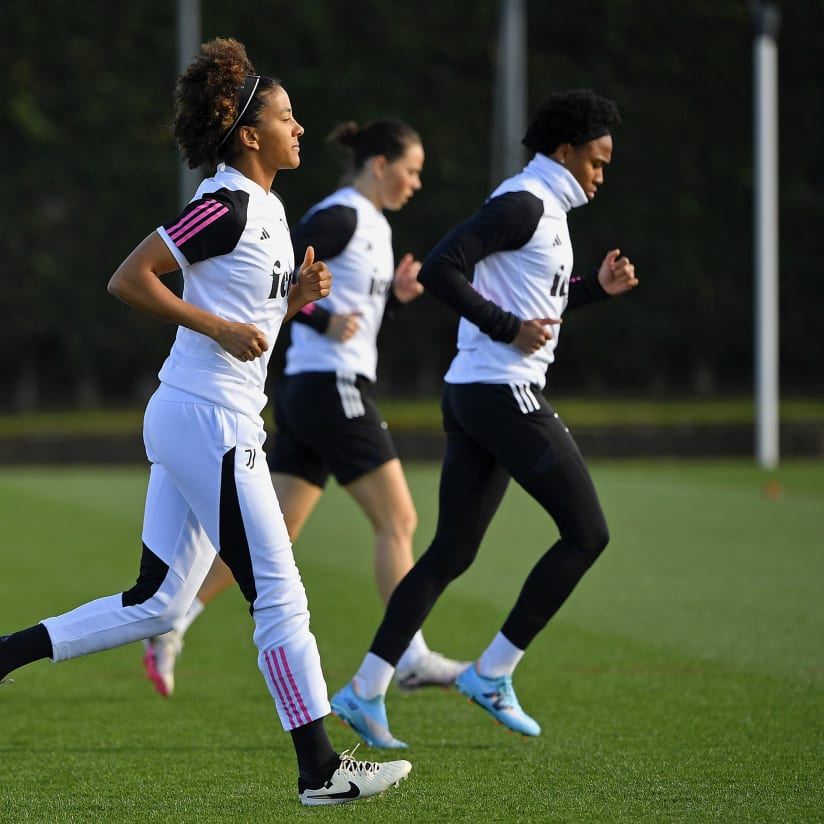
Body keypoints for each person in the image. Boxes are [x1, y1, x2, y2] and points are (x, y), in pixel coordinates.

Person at [0, 37, 411, 806]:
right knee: (281, 593)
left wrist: (289, 303)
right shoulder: (221, 205)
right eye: (286, 118)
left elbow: (246, 319)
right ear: (250, 135)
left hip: (210, 418)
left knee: (157, 602)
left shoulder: (267, 206)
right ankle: (320, 770)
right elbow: (130, 278)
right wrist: (216, 328)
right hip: (205, 421)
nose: (300, 127)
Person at [328, 88, 639, 747]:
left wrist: (594, 291)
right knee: (587, 533)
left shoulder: (547, 207)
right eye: (596, 161)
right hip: (501, 394)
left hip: (476, 392)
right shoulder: (525, 202)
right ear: (565, 151)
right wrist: (503, 327)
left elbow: (534, 308)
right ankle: (493, 672)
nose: (601, 175)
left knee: (451, 551)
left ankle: (364, 689)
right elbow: (444, 268)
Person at [142, 119, 468, 703]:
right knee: (399, 521)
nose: (416, 183)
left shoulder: (375, 226)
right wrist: (317, 316)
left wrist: (392, 298)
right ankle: (410, 654)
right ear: (378, 165)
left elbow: (342, 307)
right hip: (329, 387)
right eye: (411, 170)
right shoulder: (339, 216)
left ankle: (176, 621)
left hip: (313, 391)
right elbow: (280, 285)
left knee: (277, 532)